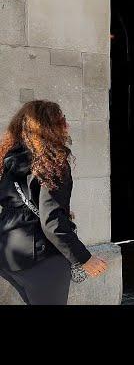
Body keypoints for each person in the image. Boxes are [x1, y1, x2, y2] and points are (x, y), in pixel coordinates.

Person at [0, 100, 108, 305]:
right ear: (49, 127)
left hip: (8, 258)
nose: (67, 125)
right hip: (41, 260)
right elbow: (52, 222)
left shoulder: (9, 158)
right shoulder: (50, 162)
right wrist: (85, 259)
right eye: (62, 120)